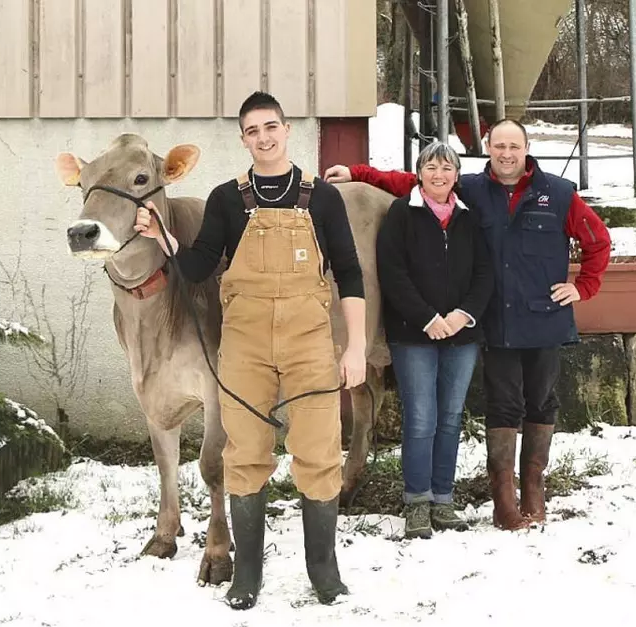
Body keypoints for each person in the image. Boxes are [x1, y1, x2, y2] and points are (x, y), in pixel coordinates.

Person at [135, 91, 367, 609]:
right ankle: (247, 574)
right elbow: (196, 268)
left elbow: (350, 274)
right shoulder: (225, 199)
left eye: (270, 127)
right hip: (244, 344)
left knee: (319, 450)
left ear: (286, 130)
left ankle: (323, 572)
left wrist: (355, 346)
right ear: (243, 139)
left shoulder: (321, 198)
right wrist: (161, 236)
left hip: (309, 342)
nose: (262, 138)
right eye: (251, 131)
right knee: (243, 453)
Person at [325, 119, 611, 531]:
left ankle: (532, 487)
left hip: (542, 318)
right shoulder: (473, 190)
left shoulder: (559, 194)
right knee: (502, 404)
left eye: (514, 145)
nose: (507, 154)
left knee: (542, 401)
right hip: (496, 319)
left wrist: (584, 286)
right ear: (488, 149)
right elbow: (416, 179)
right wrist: (359, 173)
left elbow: (597, 239)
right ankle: (502, 498)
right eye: (499, 146)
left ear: (527, 147)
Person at [377, 141, 494, 539]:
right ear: (419, 172)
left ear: (457, 175)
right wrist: (427, 318)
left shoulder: (469, 218)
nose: (439, 175)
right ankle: (417, 502)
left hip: (462, 334)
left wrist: (463, 315)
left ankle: (443, 499)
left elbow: (485, 273)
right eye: (431, 167)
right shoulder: (401, 214)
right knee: (422, 417)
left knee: (450, 417)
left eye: (447, 168)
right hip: (414, 335)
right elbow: (392, 273)